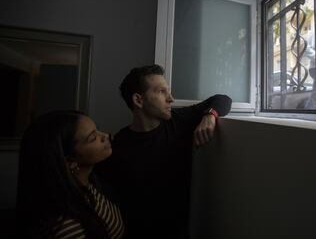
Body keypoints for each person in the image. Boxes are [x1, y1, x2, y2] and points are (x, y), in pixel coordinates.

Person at [96, 64, 232, 238]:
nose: (171, 99)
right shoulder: (117, 147)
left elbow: (223, 99)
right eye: (162, 92)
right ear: (138, 100)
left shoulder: (178, 121)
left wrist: (210, 115)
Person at [16, 110, 124, 238]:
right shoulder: (68, 228)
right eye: (93, 138)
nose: (106, 135)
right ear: (70, 161)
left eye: (98, 130)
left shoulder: (90, 183)